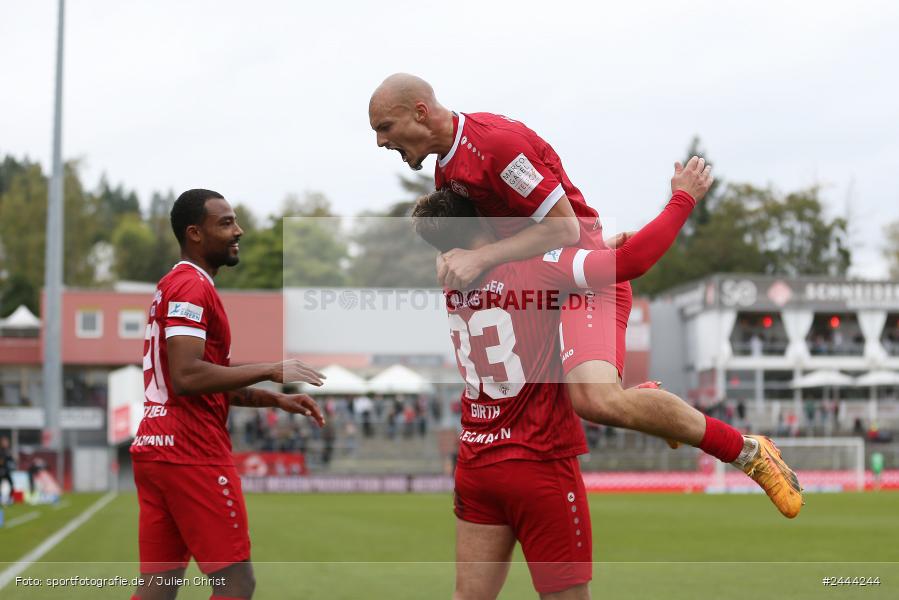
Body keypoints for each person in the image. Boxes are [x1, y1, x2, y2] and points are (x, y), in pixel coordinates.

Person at [369, 74, 803, 519]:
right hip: (552, 278)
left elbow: (565, 229)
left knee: (594, 401)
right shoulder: (448, 167)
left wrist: (679, 202)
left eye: (384, 127)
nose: (381, 142)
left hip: (579, 277)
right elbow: (482, 237)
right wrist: (451, 254)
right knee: (585, 395)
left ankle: (748, 451)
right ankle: (647, 405)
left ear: (420, 112)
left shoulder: (497, 146)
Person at [412, 189, 804, 599]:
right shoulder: (535, 270)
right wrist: (681, 200)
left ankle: (647, 407)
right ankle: (720, 439)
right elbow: (631, 262)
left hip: (475, 461)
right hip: (538, 461)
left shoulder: (450, 284)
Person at [130, 189, 326, 600]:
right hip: (191, 449)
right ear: (194, 234)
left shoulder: (174, 284)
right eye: (225, 223)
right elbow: (186, 375)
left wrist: (275, 399)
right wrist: (274, 369)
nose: (239, 231)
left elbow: (204, 378)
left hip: (156, 445)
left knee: (158, 588)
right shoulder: (190, 287)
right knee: (236, 583)